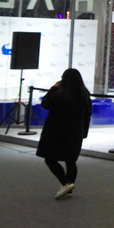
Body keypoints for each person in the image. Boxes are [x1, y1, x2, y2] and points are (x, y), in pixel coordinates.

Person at [36, 68, 93, 199]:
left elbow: (45, 104)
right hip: (75, 132)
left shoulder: (59, 95)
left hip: (56, 132)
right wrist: (84, 133)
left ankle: (66, 183)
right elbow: (87, 115)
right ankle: (68, 187)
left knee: (50, 159)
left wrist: (53, 89)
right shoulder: (84, 96)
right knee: (70, 161)